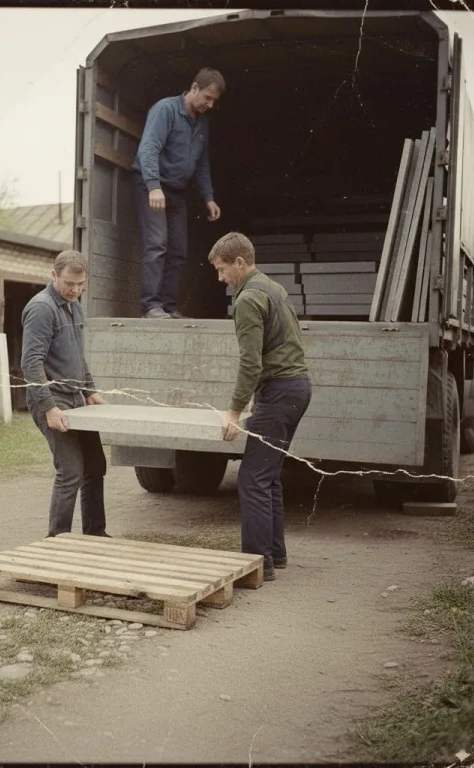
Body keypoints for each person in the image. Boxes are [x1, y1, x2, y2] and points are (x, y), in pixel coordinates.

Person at [207, 232, 312, 581]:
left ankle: (256, 565)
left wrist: (234, 411)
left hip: (280, 392)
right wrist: (260, 392)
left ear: (240, 262)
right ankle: (274, 556)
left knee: (252, 479)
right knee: (267, 477)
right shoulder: (273, 288)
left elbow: (250, 362)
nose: (220, 278)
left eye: (223, 269)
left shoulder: (248, 298)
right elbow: (283, 343)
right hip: (295, 388)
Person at [21, 250, 111, 539]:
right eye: (69, 284)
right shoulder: (42, 309)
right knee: (70, 471)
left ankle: (95, 535)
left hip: (75, 398)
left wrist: (89, 390)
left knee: (95, 466)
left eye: (80, 284)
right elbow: (31, 363)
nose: (75, 290)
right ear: (53, 275)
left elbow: (77, 355)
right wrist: (49, 408)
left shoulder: (75, 306)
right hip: (53, 400)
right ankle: (57, 541)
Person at [132, 67, 224, 320]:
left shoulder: (202, 123)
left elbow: (201, 164)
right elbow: (149, 148)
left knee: (178, 250)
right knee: (157, 244)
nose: (210, 104)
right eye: (207, 97)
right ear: (194, 88)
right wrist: (154, 186)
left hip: (177, 192)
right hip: (152, 186)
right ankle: (151, 307)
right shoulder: (166, 109)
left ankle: (168, 307)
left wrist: (208, 197)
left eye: (214, 101)